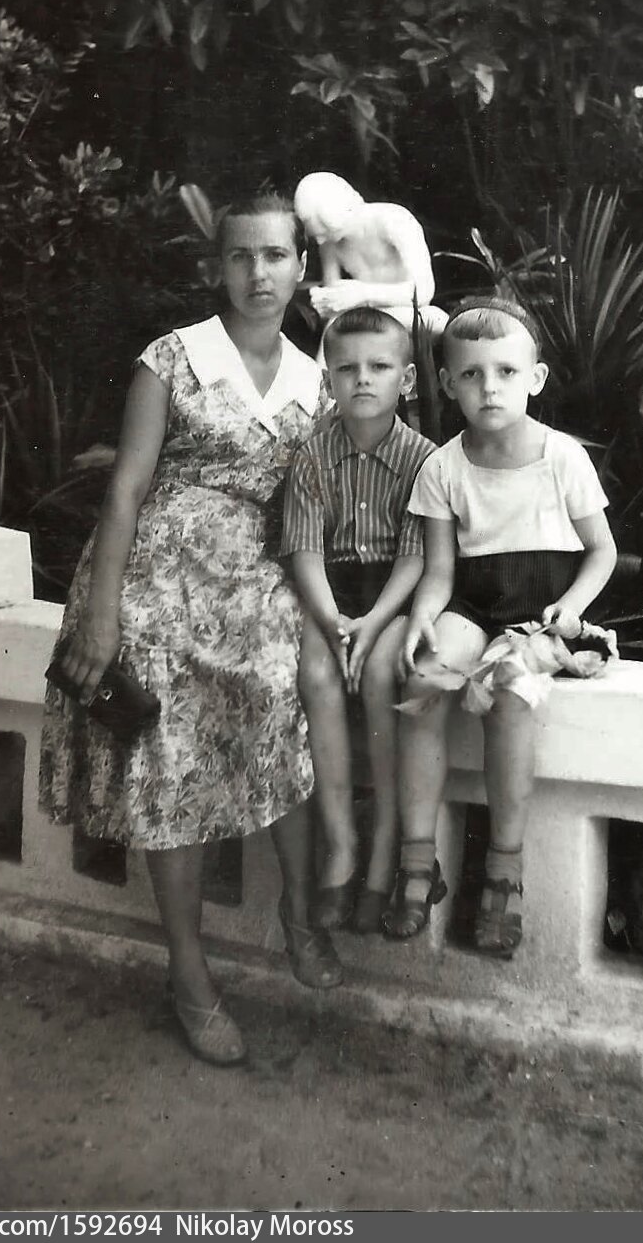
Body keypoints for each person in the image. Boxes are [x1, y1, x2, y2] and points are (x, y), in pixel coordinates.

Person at [38, 192, 343, 1070]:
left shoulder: (318, 381)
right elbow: (126, 488)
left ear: (300, 268)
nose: (258, 273)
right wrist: (102, 614)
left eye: (275, 255)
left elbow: (317, 508)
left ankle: (297, 911)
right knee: (167, 747)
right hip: (152, 575)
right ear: (218, 267)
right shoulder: (173, 358)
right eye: (241, 256)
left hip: (253, 576)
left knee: (283, 700)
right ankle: (189, 973)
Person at [384, 298, 618, 956]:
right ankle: (417, 861)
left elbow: (602, 551)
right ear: (448, 382)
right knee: (423, 680)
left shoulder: (561, 457)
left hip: (539, 615)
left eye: (506, 372)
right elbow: (439, 572)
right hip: (474, 604)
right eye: (472, 374)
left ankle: (504, 873)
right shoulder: (443, 467)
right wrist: (421, 621)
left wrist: (571, 606)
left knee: (510, 695)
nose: (490, 388)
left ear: (534, 379)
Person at [281, 307, 436, 934]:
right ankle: (343, 845)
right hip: (331, 592)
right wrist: (334, 622)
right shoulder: (313, 456)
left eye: (379, 366)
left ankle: (383, 854)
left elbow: (417, 557)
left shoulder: (424, 459)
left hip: (394, 596)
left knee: (378, 678)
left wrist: (370, 624)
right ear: (328, 381)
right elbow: (305, 553)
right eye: (346, 369)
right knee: (317, 676)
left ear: (408, 378)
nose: (363, 379)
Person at [293, 172, 449, 342]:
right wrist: (324, 301)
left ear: (333, 214)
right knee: (334, 326)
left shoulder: (392, 220)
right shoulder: (330, 243)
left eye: (324, 232)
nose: (320, 241)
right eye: (316, 236)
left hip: (405, 313)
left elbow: (424, 291)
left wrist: (363, 294)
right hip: (366, 318)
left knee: (436, 319)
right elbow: (334, 303)